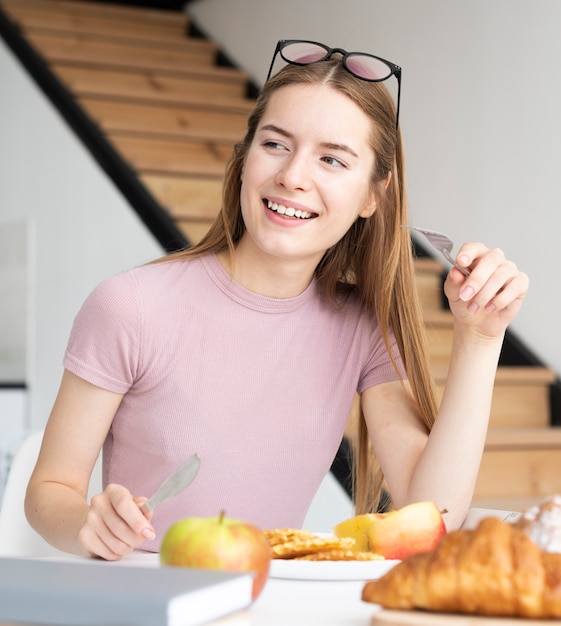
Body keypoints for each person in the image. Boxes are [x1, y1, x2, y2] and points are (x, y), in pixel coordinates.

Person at [25, 40, 528, 561]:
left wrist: (481, 338)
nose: (292, 176)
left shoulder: (362, 329)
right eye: (275, 144)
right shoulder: (129, 306)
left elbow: (432, 510)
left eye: (332, 159)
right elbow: (48, 494)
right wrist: (89, 522)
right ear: (244, 159)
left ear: (373, 196)